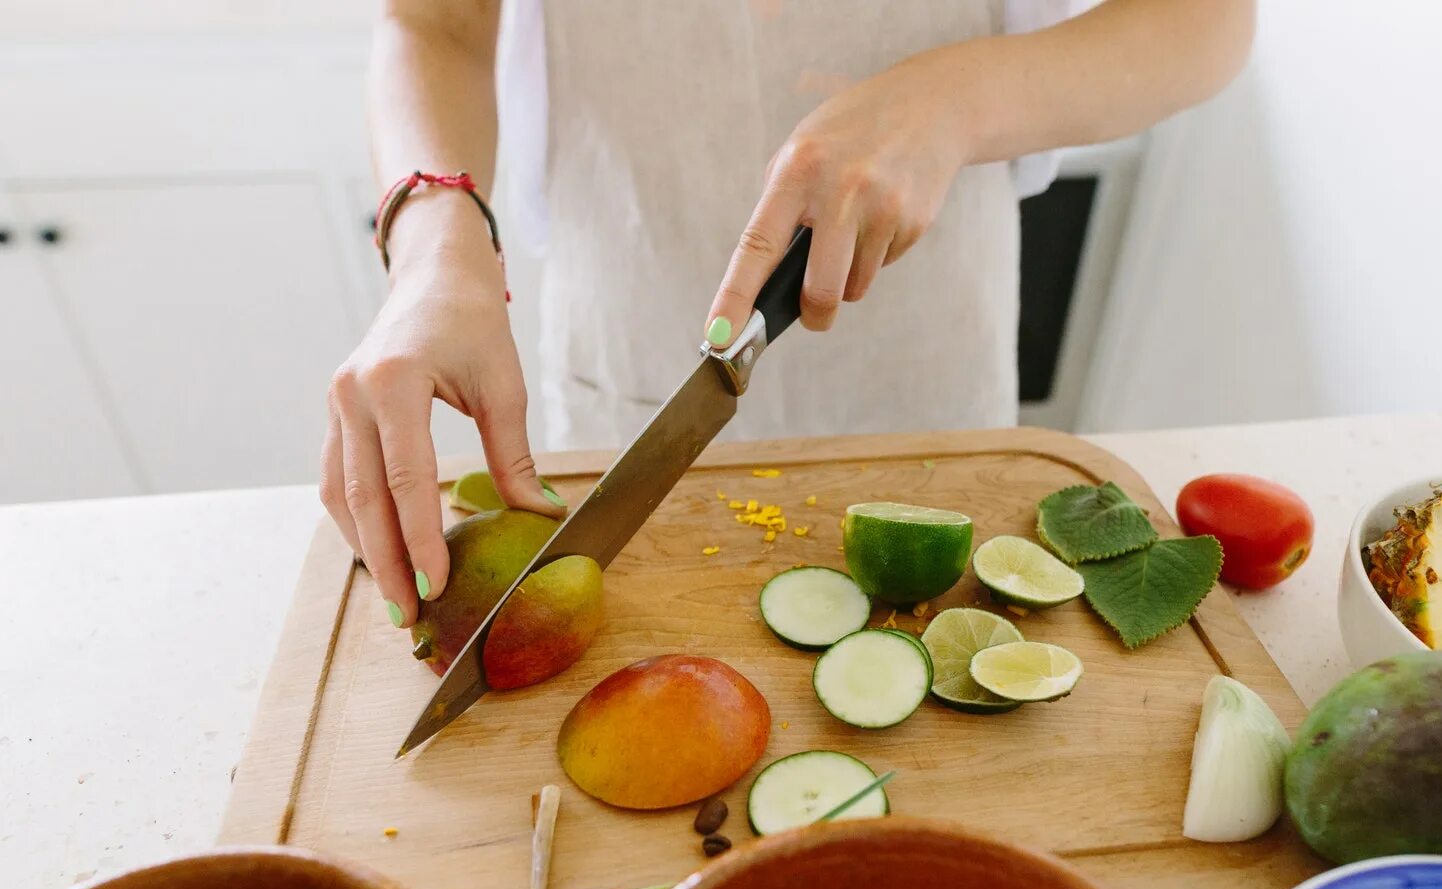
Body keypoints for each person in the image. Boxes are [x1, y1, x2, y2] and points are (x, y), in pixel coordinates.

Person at [321, 0, 1255, 629]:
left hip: (924, 325)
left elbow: (1204, 20)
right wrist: (435, 247)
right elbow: (435, 20)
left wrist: (953, 99)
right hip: (630, 312)